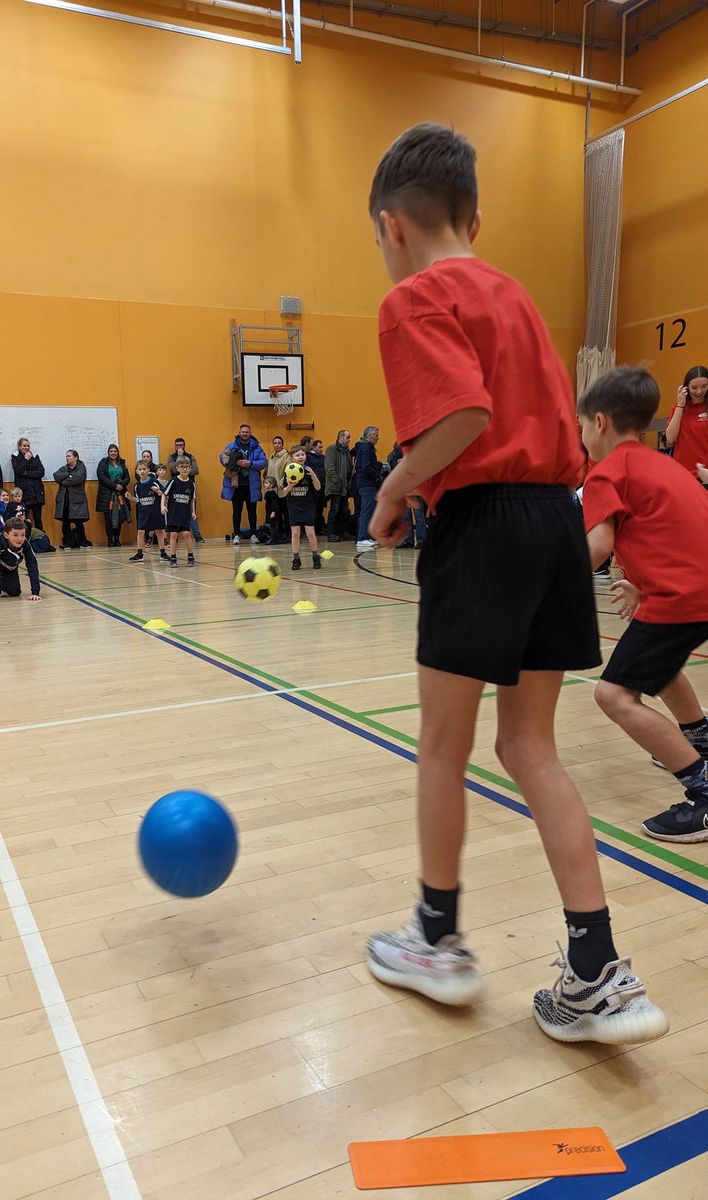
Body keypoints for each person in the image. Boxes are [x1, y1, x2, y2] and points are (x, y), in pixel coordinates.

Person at [363, 123, 667, 1045]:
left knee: (443, 749)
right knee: (531, 748)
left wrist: (392, 490)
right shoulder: (518, 297)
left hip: (487, 527)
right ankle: (596, 971)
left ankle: (440, 940)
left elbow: (461, 412)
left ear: (391, 227)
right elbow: (557, 432)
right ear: (476, 217)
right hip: (554, 521)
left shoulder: (415, 297)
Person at [578, 366, 708, 844]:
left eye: (581, 425)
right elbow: (674, 528)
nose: (581, 435)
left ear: (600, 423)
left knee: (613, 695)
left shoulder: (604, 472)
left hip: (683, 597)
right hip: (697, 590)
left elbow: (596, 548)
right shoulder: (662, 463)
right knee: (661, 667)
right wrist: (641, 583)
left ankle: (704, 793)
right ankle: (702, 740)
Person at [220, 423, 267, 544]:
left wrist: (250, 463)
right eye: (243, 432)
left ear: (250, 433)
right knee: (237, 511)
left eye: (247, 432)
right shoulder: (232, 445)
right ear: (239, 433)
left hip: (252, 485)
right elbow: (222, 458)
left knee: (252, 511)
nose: (245, 434)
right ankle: (236, 535)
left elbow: (263, 462)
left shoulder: (257, 447)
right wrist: (236, 462)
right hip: (236, 485)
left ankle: (253, 535)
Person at [278, 445, 321, 570]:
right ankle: (296, 559)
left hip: (308, 505)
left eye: (302, 454)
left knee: (310, 533)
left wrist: (312, 474)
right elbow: (283, 493)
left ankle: (315, 557)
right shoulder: (289, 471)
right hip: (294, 506)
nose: (301, 457)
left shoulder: (308, 470)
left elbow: (318, 488)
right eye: (297, 455)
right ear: (292, 458)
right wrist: (292, 485)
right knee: (295, 533)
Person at [662, 365, 708, 481]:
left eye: (704, 386)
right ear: (686, 387)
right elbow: (670, 438)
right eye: (694, 387)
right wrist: (680, 405)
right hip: (683, 473)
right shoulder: (679, 407)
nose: (699, 391)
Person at [387, 443, 427, 547]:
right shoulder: (398, 450)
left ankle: (421, 540)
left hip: (416, 489)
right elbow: (391, 461)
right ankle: (409, 540)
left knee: (419, 517)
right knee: (406, 517)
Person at [128, 460, 169, 562]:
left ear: (148, 470)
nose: (142, 471)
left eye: (144, 469)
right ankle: (139, 554)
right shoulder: (137, 486)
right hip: (143, 512)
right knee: (141, 532)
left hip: (155, 511)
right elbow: (138, 500)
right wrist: (131, 498)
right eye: (140, 469)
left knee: (159, 531)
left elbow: (164, 493)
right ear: (136, 471)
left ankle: (163, 553)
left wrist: (158, 491)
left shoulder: (154, 482)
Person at [161, 455, 197, 567]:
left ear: (190, 468)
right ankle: (173, 557)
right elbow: (164, 494)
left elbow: (192, 500)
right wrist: (162, 506)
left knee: (186, 534)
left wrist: (193, 512)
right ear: (178, 468)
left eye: (187, 467)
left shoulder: (192, 484)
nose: (185, 469)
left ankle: (190, 556)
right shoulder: (173, 481)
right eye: (182, 467)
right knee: (174, 535)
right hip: (173, 513)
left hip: (185, 514)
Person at [167, 438, 205, 542]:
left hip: (189, 486)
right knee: (176, 511)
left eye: (181, 445)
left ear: (184, 446)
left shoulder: (190, 456)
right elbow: (173, 469)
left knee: (192, 511)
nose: (179, 447)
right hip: (177, 488)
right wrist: (179, 457)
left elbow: (196, 470)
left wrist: (185, 472)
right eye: (177, 445)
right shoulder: (171, 457)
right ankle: (176, 536)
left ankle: (197, 535)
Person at [54, 450, 90, 549]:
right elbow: (56, 476)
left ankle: (82, 541)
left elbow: (78, 479)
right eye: (66, 456)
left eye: (69, 456)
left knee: (78, 522)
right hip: (65, 499)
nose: (67, 458)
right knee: (65, 522)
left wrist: (64, 481)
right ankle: (67, 543)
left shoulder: (81, 468)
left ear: (76, 457)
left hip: (77, 499)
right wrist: (68, 475)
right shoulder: (64, 468)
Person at [96, 443, 130, 547]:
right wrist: (114, 485)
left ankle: (117, 539)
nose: (113, 453)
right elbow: (101, 476)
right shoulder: (103, 463)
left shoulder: (122, 463)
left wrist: (121, 485)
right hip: (107, 494)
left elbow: (127, 477)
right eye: (111, 451)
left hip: (121, 493)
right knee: (109, 518)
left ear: (117, 452)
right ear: (108, 453)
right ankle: (110, 540)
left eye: (115, 451)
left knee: (120, 516)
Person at [354, 426, 382, 550]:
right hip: (367, 483)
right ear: (369, 435)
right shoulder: (366, 447)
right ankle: (362, 538)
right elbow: (366, 466)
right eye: (376, 435)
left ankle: (367, 536)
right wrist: (376, 476)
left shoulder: (363, 446)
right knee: (366, 510)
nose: (377, 438)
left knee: (369, 510)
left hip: (365, 483)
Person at [11, 438, 46, 531]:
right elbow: (18, 471)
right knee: (24, 519)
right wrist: (26, 459)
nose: (26, 447)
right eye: (24, 446)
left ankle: (40, 539)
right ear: (19, 447)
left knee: (38, 519)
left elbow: (41, 472)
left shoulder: (35, 457)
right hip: (24, 493)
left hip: (36, 493)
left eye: (28, 445)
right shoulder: (15, 458)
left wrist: (27, 473)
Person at [325, 429, 354, 541]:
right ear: (341, 437)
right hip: (336, 486)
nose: (349, 440)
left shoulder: (347, 451)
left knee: (344, 510)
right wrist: (337, 480)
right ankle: (331, 533)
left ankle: (343, 532)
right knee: (335, 510)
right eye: (347, 437)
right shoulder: (332, 449)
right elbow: (329, 468)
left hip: (345, 486)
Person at [264, 435, 292, 542]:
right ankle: (279, 534)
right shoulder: (271, 457)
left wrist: (281, 484)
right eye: (275, 443)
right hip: (273, 492)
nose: (277, 445)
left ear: (282, 444)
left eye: (279, 443)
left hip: (282, 491)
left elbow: (288, 472)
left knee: (285, 513)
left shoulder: (286, 456)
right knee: (276, 514)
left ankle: (288, 534)